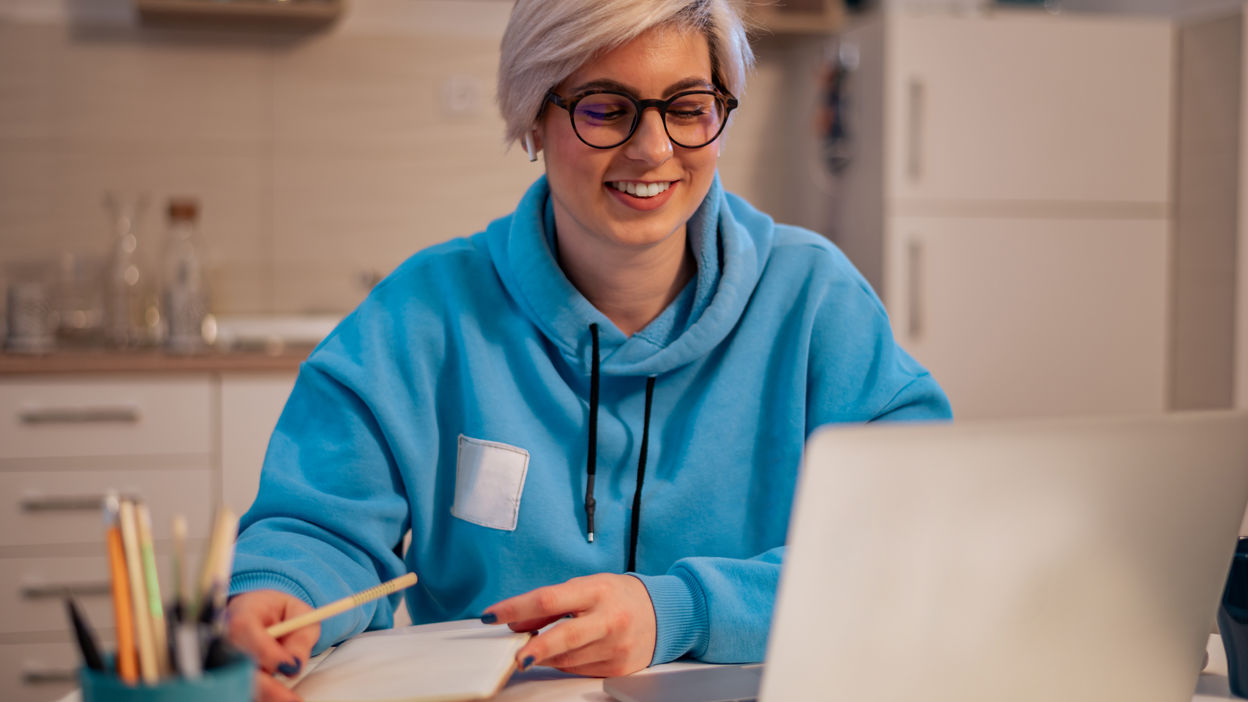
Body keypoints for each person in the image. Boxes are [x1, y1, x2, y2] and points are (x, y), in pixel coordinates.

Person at [226, 0, 953, 699]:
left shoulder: (816, 301)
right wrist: (277, 595)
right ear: (532, 120)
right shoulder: (422, 316)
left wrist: (680, 611)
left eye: (689, 106)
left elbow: (912, 541)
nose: (654, 148)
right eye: (606, 108)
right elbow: (320, 529)